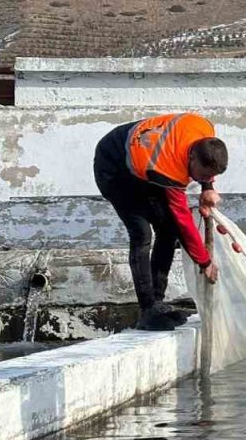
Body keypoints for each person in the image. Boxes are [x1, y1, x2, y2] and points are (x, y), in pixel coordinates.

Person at [93, 112, 226, 331]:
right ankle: (147, 310)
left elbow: (207, 161)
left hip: (145, 162)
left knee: (167, 230)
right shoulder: (167, 168)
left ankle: (158, 302)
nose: (197, 180)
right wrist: (204, 261)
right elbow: (182, 218)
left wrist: (208, 187)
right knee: (142, 233)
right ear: (191, 157)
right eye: (198, 176)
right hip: (113, 168)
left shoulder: (204, 129)